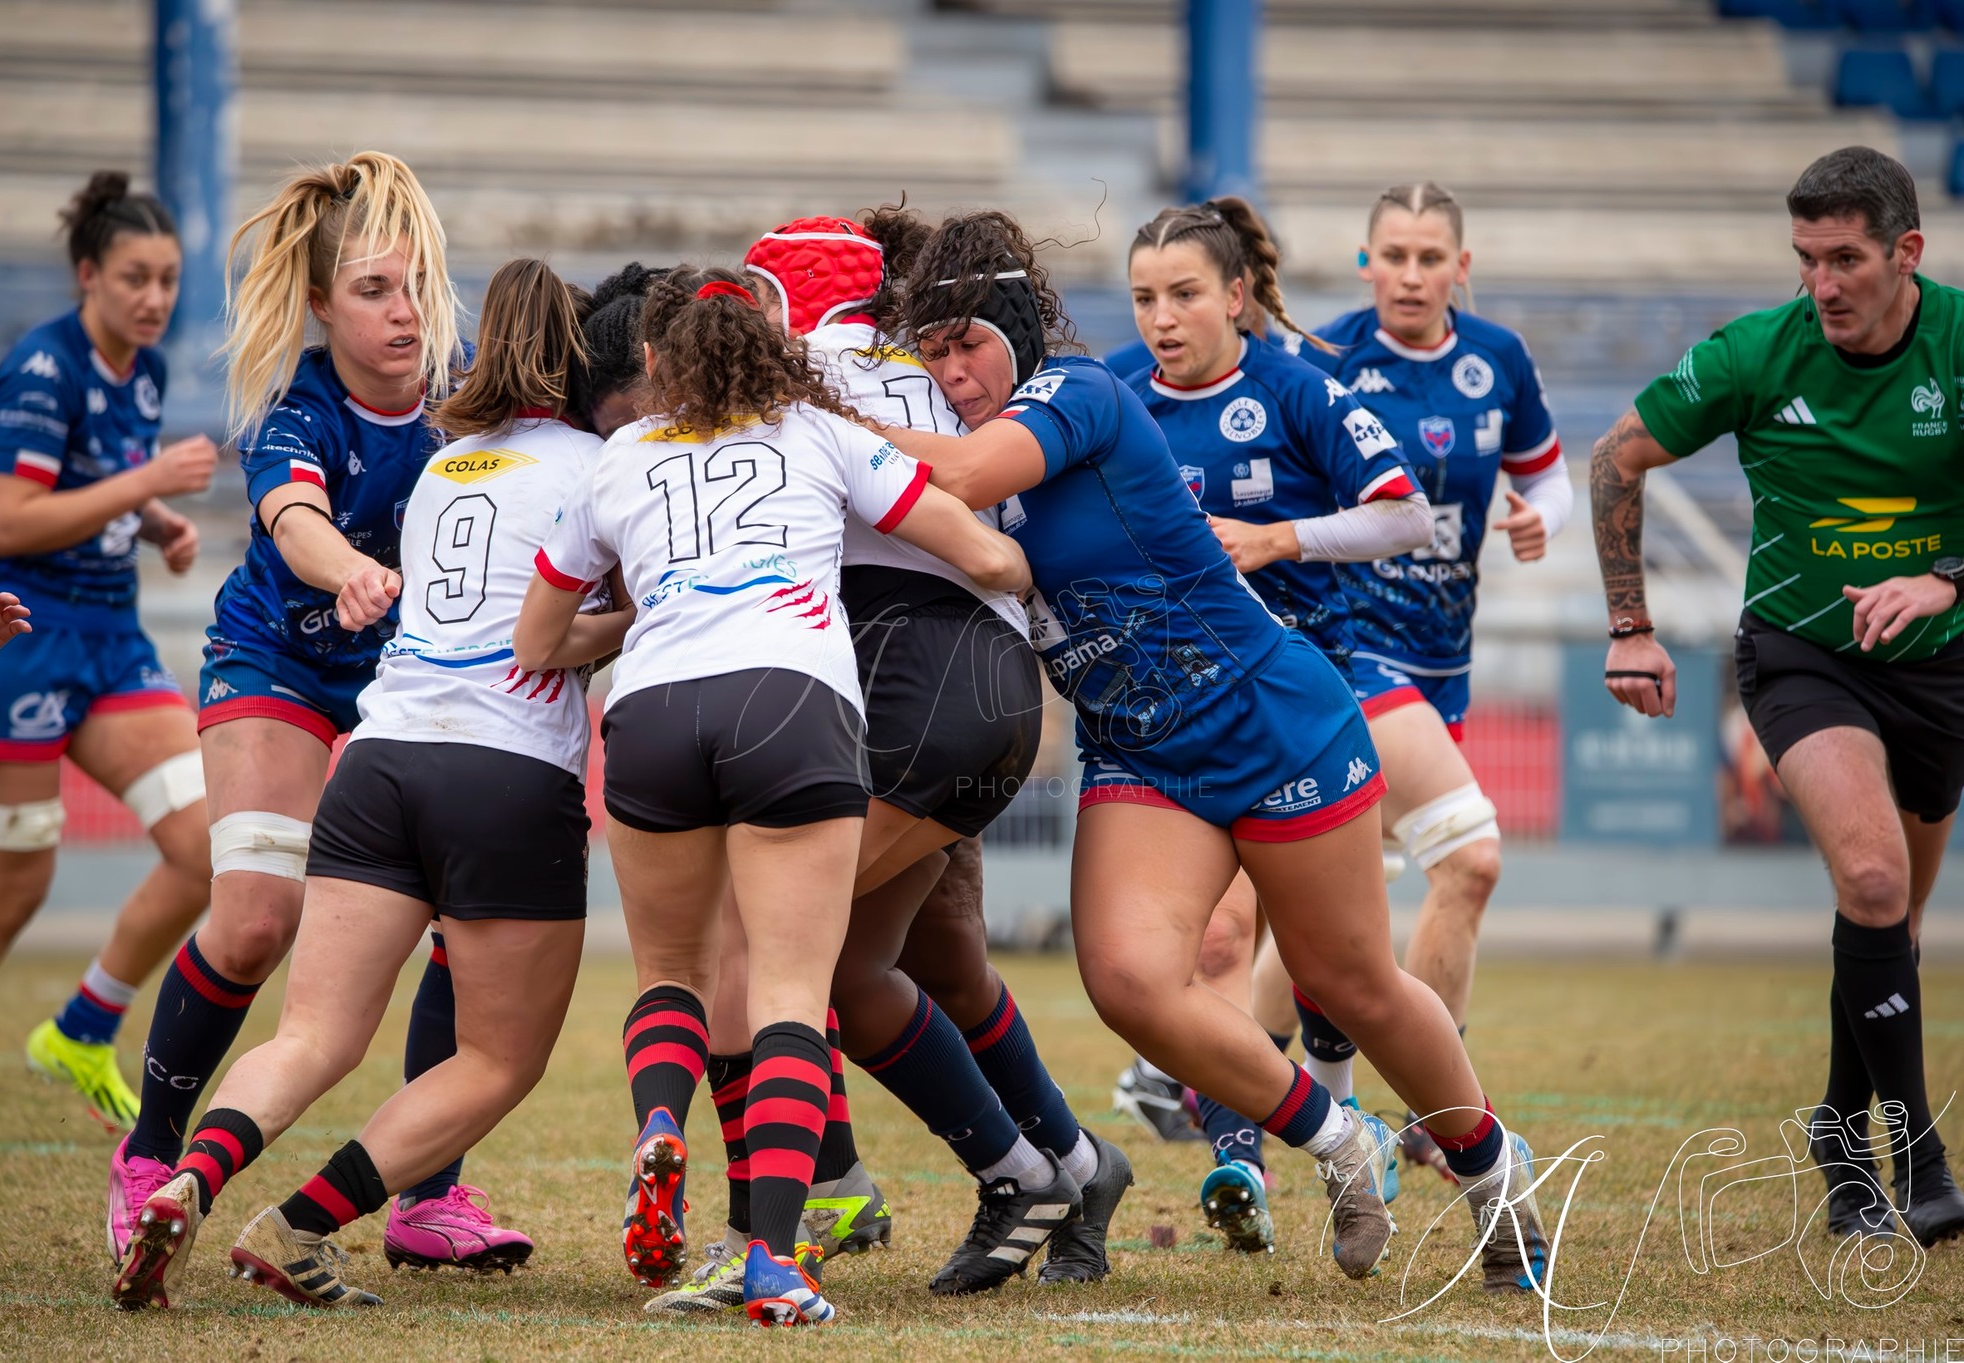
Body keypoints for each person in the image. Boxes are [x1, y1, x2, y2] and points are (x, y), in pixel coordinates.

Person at [878, 209, 1549, 1292]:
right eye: (932, 351)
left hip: (1265, 711)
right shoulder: (996, 426)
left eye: (969, 345)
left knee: (1349, 982)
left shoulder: (1077, 393)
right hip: (1140, 749)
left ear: (1015, 330)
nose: (951, 370)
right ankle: (1339, 1139)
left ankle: (1489, 1170)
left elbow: (950, 474)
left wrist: (803, 427)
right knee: (1130, 981)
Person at [516, 265, 1031, 1327]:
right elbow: (983, 551)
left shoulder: (617, 457)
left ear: (653, 362)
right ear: (774, 350)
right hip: (789, 699)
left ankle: (660, 1131)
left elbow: (538, 643)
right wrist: (1021, 563)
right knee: (792, 990)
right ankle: (772, 1260)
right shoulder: (816, 430)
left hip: (653, 709)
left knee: (673, 973)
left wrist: (663, 601)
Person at [113, 257, 626, 1310]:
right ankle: (297, 1221)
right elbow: (561, 627)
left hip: (382, 758)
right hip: (503, 774)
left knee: (311, 1036)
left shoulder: (447, 463)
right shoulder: (600, 465)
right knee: (497, 1058)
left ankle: (187, 1177)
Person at [705, 211, 1126, 1301]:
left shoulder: (805, 370)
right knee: (859, 966)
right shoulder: (945, 370)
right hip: (962, 683)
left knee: (760, 951)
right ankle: (1069, 1167)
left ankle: (775, 1228)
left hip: (910, 677)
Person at [1591, 146, 1964, 1249]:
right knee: (1868, 874)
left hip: (1940, 664)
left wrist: (1939, 579)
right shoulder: (1757, 352)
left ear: (1906, 251)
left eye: (1844, 258)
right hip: (1803, 656)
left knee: (1885, 916)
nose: (1821, 284)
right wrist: (1630, 627)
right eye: (1804, 258)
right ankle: (1920, 1158)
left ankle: (1837, 1129)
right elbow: (1614, 460)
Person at [1118, 195, 1432, 1251]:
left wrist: (1278, 538)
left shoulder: (1298, 390)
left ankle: (1461, 1152)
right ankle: (1238, 1161)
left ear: (1237, 295)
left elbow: (1404, 511)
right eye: (1144, 298)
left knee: (1334, 967)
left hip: (1299, 710)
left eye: (1184, 294)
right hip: (1168, 722)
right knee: (1208, 942)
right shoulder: (1112, 396)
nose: (1162, 318)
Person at [1277, 181, 1572, 1185]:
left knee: (1329, 895)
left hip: (1442, 662)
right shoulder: (1323, 360)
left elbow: (1547, 476)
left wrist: (1543, 519)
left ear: (1459, 266)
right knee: (1468, 857)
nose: (1408, 274)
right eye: (1390, 255)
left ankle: (1203, 1081)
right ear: (1364, 263)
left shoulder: (1497, 359)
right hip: (1348, 651)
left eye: (1426, 257)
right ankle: (1434, 1112)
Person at [0, 172, 216, 1149]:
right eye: (135, 276)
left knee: (211, 845)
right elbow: (9, 518)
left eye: (168, 278)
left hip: (111, 638)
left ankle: (82, 1028)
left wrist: (158, 520)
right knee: (12, 889)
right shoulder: (40, 370)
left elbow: (93, 487)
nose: (155, 297)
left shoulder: (147, 367)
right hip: (15, 638)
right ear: (88, 274)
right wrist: (150, 481)